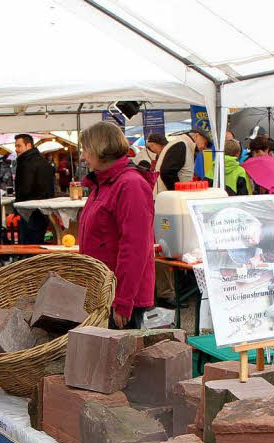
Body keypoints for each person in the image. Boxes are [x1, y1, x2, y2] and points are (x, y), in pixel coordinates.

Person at [77, 122, 155, 330]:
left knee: (120, 359)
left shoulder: (130, 185)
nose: (83, 157)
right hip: (104, 292)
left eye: (86, 149)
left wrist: (123, 300)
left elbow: (136, 248)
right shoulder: (102, 184)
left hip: (119, 296)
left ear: (100, 149)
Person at [13, 134, 56, 243]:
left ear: (28, 145)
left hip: (29, 210)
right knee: (38, 244)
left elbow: (25, 189)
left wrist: (17, 207)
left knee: (29, 247)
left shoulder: (26, 163)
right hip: (43, 210)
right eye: (16, 146)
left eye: (19, 146)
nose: (16, 149)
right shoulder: (43, 161)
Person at [154, 128, 208, 193]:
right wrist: (178, 194)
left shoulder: (185, 145)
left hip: (169, 196)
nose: (205, 147)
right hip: (168, 198)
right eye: (205, 143)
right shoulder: (181, 145)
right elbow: (167, 172)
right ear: (196, 136)